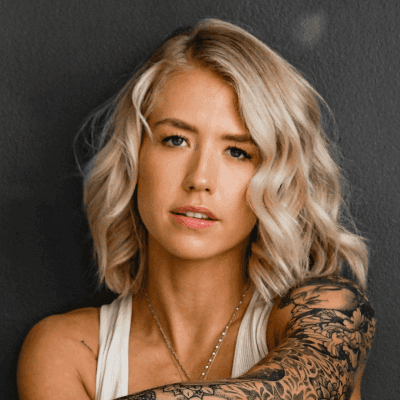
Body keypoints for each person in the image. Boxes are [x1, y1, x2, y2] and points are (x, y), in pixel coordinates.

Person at [17, 18, 376, 400]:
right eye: (175, 140)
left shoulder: (329, 314)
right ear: (135, 157)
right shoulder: (67, 352)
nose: (200, 178)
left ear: (276, 176)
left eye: (238, 152)